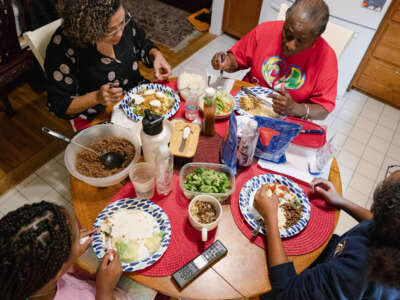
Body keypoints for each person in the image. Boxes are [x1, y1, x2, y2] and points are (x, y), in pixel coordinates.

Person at [254, 166, 400, 299]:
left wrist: (270, 218)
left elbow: (285, 293)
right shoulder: (391, 231)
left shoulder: (357, 269)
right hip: (330, 257)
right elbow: (375, 220)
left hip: (300, 287)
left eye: (386, 183)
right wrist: (340, 201)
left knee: (257, 272)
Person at [45, 0, 171, 129]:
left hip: (139, 98)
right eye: (110, 31)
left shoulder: (118, 17)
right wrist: (97, 97)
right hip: (99, 117)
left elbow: (142, 43)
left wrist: (155, 55)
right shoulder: (62, 47)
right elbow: (59, 104)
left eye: (122, 23)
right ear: (86, 30)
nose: (120, 33)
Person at [0, 201, 155, 300]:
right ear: (59, 268)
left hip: (87, 285)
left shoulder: (22, 281)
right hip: (106, 294)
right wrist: (104, 290)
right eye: (75, 238)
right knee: (151, 281)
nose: (80, 236)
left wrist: (71, 251)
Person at [211, 0, 337, 120]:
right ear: (286, 20)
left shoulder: (326, 59)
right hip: (246, 104)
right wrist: (226, 62)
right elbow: (236, 61)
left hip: (288, 117)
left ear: (315, 39)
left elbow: (323, 110)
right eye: (288, 33)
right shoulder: (265, 31)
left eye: (301, 41)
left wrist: (296, 108)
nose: (290, 45)